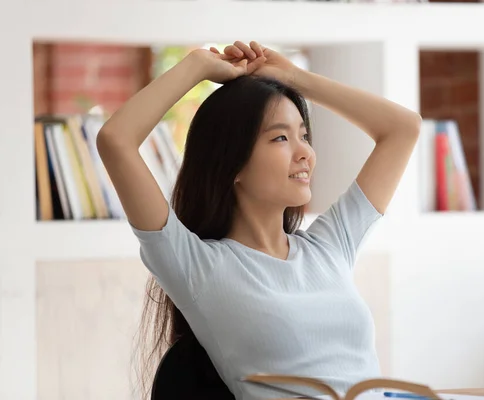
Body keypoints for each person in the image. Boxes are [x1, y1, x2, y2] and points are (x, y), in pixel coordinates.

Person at [97, 40, 422, 400]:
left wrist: (295, 78)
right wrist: (198, 67)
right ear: (233, 163)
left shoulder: (329, 247)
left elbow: (403, 128)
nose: (306, 154)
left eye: (304, 135)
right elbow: (116, 140)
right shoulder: (197, 267)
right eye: (281, 137)